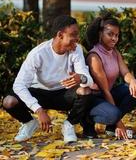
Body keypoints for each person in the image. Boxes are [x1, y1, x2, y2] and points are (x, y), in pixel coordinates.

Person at [2, 15, 94, 143]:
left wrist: (81, 78)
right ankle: (29, 123)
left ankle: (68, 125)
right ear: (60, 35)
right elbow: (19, 85)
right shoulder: (38, 53)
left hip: (63, 94)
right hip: (39, 93)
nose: (77, 39)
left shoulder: (75, 49)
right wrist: (38, 110)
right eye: (73, 34)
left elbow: (89, 80)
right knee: (9, 101)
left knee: (86, 91)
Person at [83, 13, 136, 140]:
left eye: (116, 35)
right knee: (114, 114)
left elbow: (125, 73)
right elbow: (104, 91)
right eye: (110, 34)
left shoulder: (114, 52)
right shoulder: (94, 56)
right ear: (100, 34)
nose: (114, 38)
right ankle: (87, 121)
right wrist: (120, 123)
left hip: (107, 95)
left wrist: (133, 81)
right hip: (93, 99)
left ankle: (111, 126)